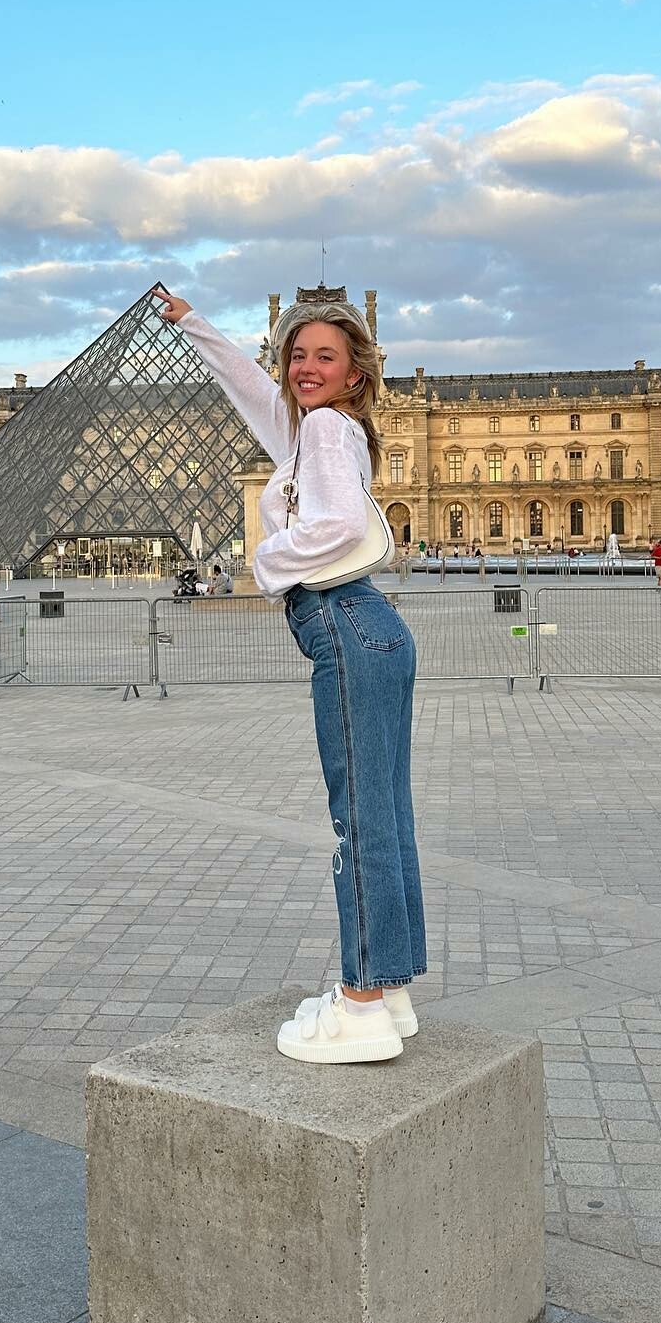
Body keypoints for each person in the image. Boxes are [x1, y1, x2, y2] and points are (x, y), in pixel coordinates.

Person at [156, 284, 423, 1066]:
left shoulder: (329, 430)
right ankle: (390, 989)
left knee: (358, 821)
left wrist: (266, 560)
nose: (305, 367)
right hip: (373, 629)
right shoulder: (315, 431)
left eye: (324, 357)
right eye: (296, 355)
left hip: (344, 624)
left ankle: (362, 1005)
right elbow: (252, 391)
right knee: (384, 815)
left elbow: (336, 525)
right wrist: (195, 325)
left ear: (354, 373)